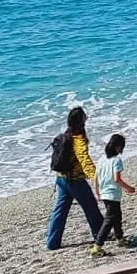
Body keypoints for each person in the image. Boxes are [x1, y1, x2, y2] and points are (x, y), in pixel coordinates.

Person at [46, 106, 105, 250]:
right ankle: (101, 234)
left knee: (60, 211)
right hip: (75, 180)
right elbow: (85, 160)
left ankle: (52, 242)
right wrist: (97, 177)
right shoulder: (78, 139)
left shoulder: (65, 135)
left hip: (61, 179)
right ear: (81, 121)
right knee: (90, 207)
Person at [92, 133, 136, 255]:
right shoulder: (116, 160)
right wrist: (129, 188)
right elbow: (117, 179)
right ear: (118, 147)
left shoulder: (102, 159)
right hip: (112, 194)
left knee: (117, 216)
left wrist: (97, 192)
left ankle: (120, 238)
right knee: (110, 219)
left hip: (104, 192)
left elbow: (95, 177)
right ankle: (98, 246)